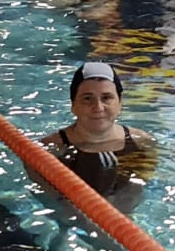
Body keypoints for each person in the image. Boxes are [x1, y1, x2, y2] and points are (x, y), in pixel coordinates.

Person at [37, 61, 158, 214]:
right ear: (73, 105)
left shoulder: (143, 143)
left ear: (120, 103)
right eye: (87, 98)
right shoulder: (48, 150)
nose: (98, 107)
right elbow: (56, 205)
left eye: (106, 98)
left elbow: (137, 193)